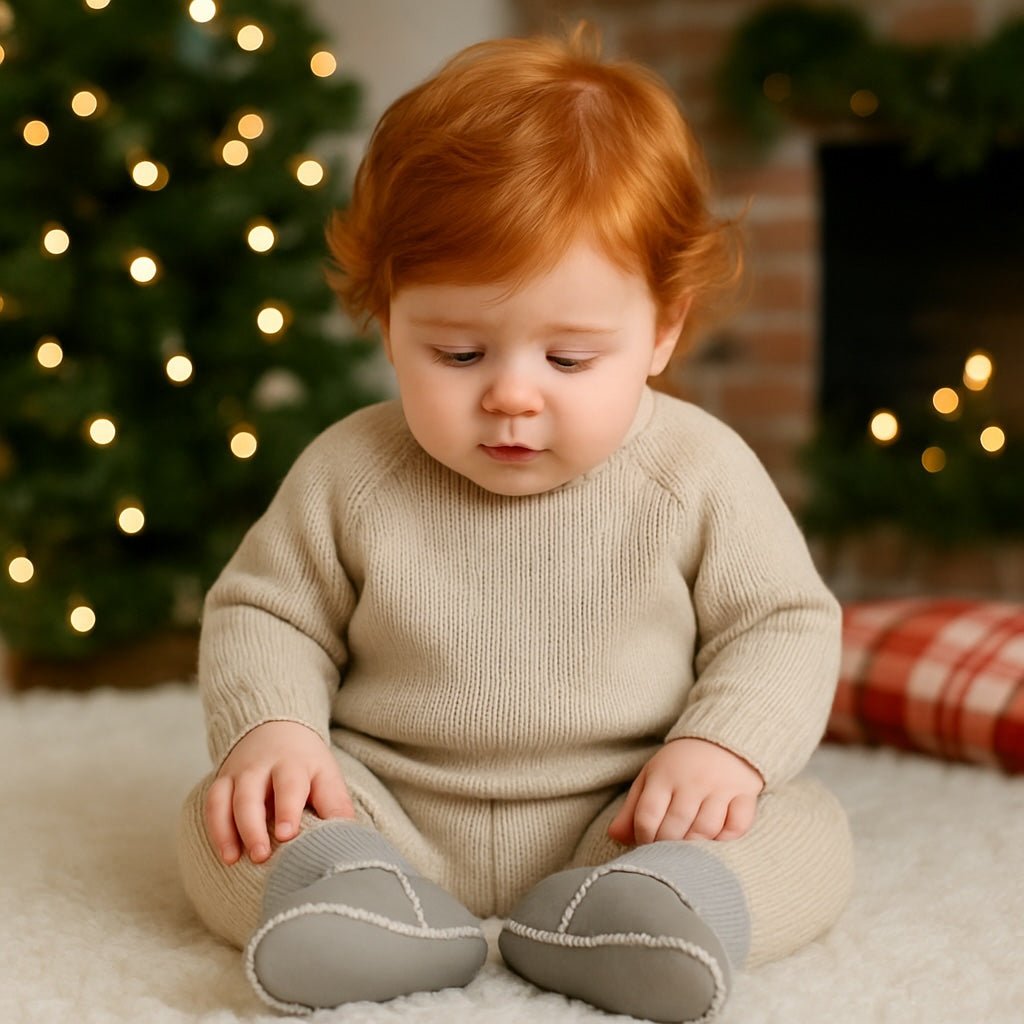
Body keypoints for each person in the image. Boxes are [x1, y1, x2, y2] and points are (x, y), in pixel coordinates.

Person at [177, 23, 852, 1023]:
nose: (511, 397)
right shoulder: (352, 469)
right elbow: (267, 611)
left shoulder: (696, 470)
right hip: (386, 810)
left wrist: (721, 749)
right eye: (456, 352)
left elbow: (783, 623)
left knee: (808, 829)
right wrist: (275, 736)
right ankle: (360, 901)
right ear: (388, 315)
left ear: (661, 327)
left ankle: (655, 911)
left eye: (568, 360)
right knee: (220, 820)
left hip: (630, 814)